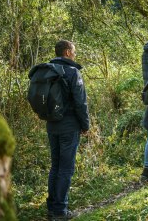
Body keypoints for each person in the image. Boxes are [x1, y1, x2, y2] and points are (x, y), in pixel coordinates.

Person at [46, 40, 90, 220]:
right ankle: (60, 211)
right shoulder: (73, 72)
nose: (75, 54)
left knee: (55, 166)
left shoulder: (47, 69)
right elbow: (80, 103)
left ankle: (52, 207)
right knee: (66, 168)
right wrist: (85, 125)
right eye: (74, 51)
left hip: (51, 124)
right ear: (66, 52)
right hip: (69, 126)